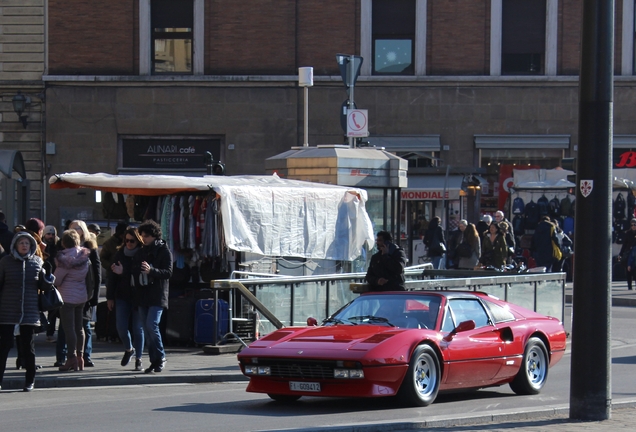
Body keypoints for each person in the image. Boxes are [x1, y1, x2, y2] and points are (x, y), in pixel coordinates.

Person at [0, 231, 54, 391]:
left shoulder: (37, 262)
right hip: (8, 310)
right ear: (15, 245)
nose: (24, 246)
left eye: (27, 243)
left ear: (31, 246)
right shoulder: (5, 262)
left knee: (28, 347)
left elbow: (44, 287)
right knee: (4, 347)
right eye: (21, 243)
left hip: (29, 310)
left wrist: (48, 277)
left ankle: (30, 380)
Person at [133, 220, 172, 374]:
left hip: (157, 294)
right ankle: (154, 360)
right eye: (142, 236)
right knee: (147, 329)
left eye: (147, 236)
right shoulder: (141, 251)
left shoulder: (163, 250)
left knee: (151, 325)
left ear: (155, 235)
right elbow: (134, 268)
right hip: (143, 295)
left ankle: (161, 357)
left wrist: (152, 271)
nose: (144, 238)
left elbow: (168, 272)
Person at [108, 227, 145, 371]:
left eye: (132, 241)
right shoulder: (119, 254)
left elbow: (140, 274)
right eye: (127, 240)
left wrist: (124, 272)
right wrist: (110, 297)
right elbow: (112, 278)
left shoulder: (142, 254)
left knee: (138, 328)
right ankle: (129, 349)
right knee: (121, 327)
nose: (129, 243)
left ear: (138, 241)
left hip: (139, 297)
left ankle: (139, 359)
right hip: (122, 295)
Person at [54, 230, 90, 371]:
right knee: (79, 328)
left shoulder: (64, 259)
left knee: (68, 329)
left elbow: (56, 280)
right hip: (81, 296)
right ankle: (80, 358)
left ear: (63, 242)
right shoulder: (84, 256)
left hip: (67, 297)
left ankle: (71, 358)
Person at [67, 220, 101, 367]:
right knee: (67, 326)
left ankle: (85, 356)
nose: (75, 230)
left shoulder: (90, 247)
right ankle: (67, 356)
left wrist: (95, 295)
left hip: (85, 292)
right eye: (72, 228)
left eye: (78, 228)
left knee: (84, 325)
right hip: (68, 293)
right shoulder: (65, 247)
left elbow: (97, 273)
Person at [42, 225, 60, 343]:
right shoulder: (41, 247)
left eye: (52, 234)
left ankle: (50, 332)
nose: (51, 236)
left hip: (55, 279)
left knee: (53, 307)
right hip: (43, 279)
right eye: (48, 234)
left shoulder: (57, 247)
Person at [618, 218, 636, 290]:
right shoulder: (628, 233)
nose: (633, 226)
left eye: (635, 224)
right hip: (629, 253)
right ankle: (629, 286)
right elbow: (624, 245)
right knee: (628, 271)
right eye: (632, 225)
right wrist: (620, 254)